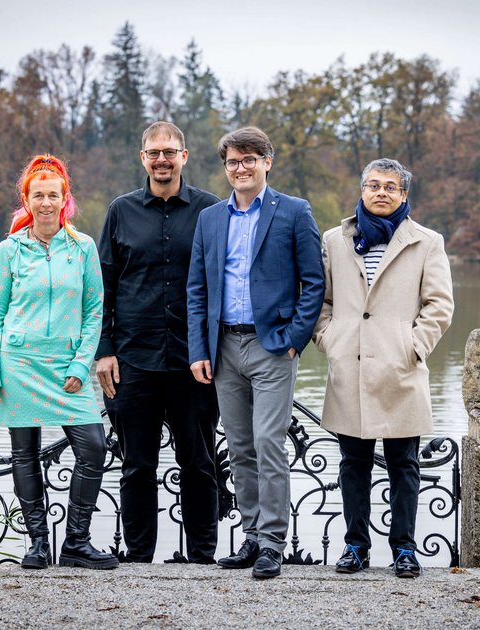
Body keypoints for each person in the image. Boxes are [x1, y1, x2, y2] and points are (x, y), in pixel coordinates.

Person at [186, 126, 325, 579]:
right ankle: (250, 537)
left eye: (249, 159)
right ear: (225, 167)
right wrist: (199, 349)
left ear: (268, 161)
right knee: (240, 445)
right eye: (232, 161)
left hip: (272, 347)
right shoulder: (210, 218)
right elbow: (197, 290)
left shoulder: (294, 212)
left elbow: (314, 283)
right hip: (224, 346)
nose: (240, 168)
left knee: (268, 442)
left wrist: (294, 339)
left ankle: (272, 543)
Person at [312, 158, 454, 578]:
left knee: (404, 466)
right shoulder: (336, 240)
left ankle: (404, 550)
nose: (380, 193)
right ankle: (355, 546)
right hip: (349, 366)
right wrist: (329, 339)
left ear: (404, 195)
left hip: (400, 369)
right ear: (361, 190)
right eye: (373, 185)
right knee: (351, 464)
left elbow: (439, 305)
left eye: (390, 187)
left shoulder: (426, 241)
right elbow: (322, 301)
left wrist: (412, 347)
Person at [0, 154, 118, 571]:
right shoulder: (10, 250)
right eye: (37, 195)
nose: (45, 202)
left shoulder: (82, 248)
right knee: (24, 454)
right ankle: (38, 543)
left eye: (52, 195)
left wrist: (81, 365)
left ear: (65, 200)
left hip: (66, 368)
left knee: (93, 447)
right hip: (18, 363)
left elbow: (95, 310)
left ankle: (76, 542)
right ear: (27, 200)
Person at [96, 121, 221, 564]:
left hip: (196, 360)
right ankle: (138, 557)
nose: (162, 159)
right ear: (143, 157)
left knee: (200, 464)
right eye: (154, 152)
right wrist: (104, 349)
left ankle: (205, 557)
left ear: (184, 156)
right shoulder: (120, 211)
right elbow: (103, 287)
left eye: (170, 151)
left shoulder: (211, 211)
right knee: (136, 467)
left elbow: (224, 283)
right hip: (133, 360)